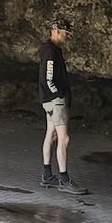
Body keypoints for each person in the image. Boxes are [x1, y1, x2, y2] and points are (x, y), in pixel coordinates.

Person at [39, 20, 73, 189]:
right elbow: (48, 78)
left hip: (49, 99)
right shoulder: (51, 52)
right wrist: (58, 94)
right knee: (64, 138)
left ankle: (47, 174)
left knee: (51, 134)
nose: (67, 37)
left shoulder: (51, 50)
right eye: (66, 33)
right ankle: (64, 179)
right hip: (55, 101)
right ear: (57, 32)